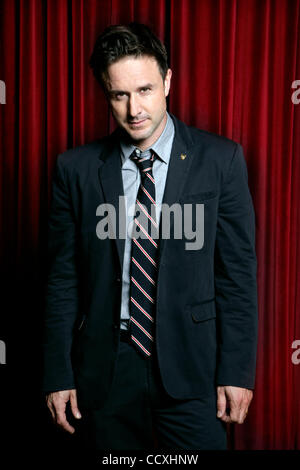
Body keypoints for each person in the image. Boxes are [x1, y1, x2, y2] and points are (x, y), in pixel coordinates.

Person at [43, 23, 258, 451]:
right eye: (119, 95)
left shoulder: (221, 160)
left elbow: (237, 276)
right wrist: (57, 373)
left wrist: (236, 371)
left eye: (144, 90)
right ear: (105, 93)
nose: (133, 109)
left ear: (168, 81)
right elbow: (61, 280)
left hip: (191, 367)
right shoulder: (76, 169)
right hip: (107, 367)